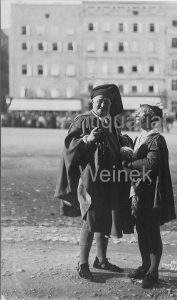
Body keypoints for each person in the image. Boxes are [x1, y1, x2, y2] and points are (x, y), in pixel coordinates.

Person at [54, 84, 133, 281]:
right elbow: (68, 148)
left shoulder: (112, 124)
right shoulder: (82, 121)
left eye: (107, 102)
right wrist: (87, 140)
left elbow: (117, 144)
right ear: (92, 102)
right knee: (91, 220)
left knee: (104, 218)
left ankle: (101, 260)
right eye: (99, 102)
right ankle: (82, 263)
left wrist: (125, 144)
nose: (103, 105)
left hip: (110, 179)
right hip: (89, 179)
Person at [122, 103, 176, 289]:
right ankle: (145, 265)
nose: (136, 117)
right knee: (141, 229)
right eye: (137, 115)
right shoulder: (140, 138)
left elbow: (151, 163)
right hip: (138, 190)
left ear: (152, 119)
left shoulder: (156, 139)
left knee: (151, 230)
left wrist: (129, 164)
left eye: (141, 115)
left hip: (152, 192)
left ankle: (153, 271)